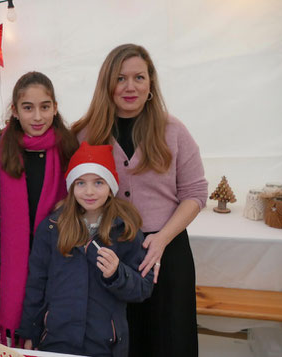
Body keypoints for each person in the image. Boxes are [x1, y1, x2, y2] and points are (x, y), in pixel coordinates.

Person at [71, 44, 208, 356]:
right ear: (107, 83)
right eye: (120, 78)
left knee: (168, 339)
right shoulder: (85, 134)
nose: (129, 86)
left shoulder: (173, 130)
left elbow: (195, 193)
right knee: (118, 339)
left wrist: (161, 240)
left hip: (167, 251)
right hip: (111, 253)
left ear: (151, 84)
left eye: (138, 78)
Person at [17, 142, 154, 357]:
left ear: (111, 187)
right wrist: (30, 331)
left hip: (104, 345)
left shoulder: (126, 230)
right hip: (56, 342)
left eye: (98, 182)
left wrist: (117, 274)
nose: (89, 191)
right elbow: (36, 284)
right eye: (81, 183)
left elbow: (143, 288)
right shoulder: (52, 228)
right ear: (71, 187)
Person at [0, 71, 78, 346]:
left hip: (56, 255)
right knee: (20, 327)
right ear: (15, 111)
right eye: (28, 108)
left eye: (45, 107)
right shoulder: (2, 147)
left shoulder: (67, 147)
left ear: (55, 108)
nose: (38, 117)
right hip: (12, 258)